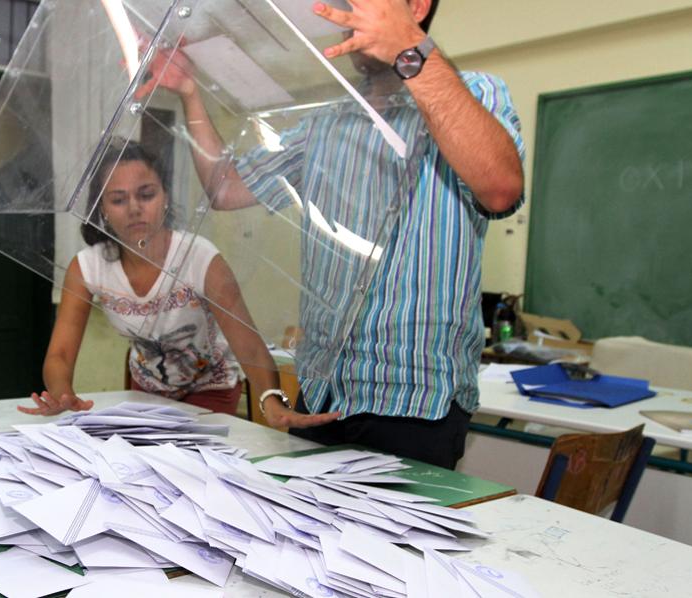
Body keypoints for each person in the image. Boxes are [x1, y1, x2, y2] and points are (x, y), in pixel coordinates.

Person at [138, 0, 525, 468]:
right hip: (320, 397)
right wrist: (190, 93)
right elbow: (226, 189)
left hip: (414, 403)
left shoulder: (475, 94)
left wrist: (409, 48)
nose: (343, 12)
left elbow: (501, 188)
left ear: (416, 6)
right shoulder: (327, 120)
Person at [18, 139, 339, 426]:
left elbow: (250, 345)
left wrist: (272, 400)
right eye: (118, 199)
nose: (134, 209)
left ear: (166, 197)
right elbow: (59, 353)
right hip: (146, 387)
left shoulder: (200, 259)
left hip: (211, 386)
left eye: (146, 194)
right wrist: (62, 395)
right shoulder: (88, 267)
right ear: (101, 208)